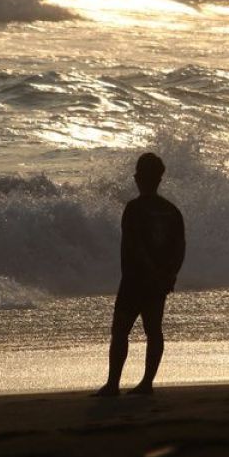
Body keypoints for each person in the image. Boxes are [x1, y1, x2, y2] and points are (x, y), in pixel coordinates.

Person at [94, 152, 186, 396]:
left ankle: (113, 384)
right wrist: (169, 275)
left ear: (139, 178)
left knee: (120, 331)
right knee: (153, 330)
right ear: (159, 179)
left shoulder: (134, 208)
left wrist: (152, 271)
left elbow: (134, 245)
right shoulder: (171, 211)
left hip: (135, 280)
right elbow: (180, 248)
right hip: (158, 282)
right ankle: (147, 383)